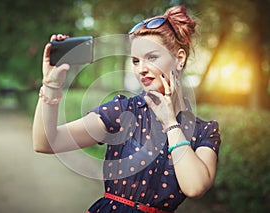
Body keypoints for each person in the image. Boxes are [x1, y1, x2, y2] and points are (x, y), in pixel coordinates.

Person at [33, 5, 221, 213]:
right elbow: (46, 143)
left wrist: (170, 123)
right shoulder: (122, 110)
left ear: (180, 59)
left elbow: (195, 187)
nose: (141, 69)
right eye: (135, 60)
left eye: (151, 57)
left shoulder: (204, 131)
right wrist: (51, 85)